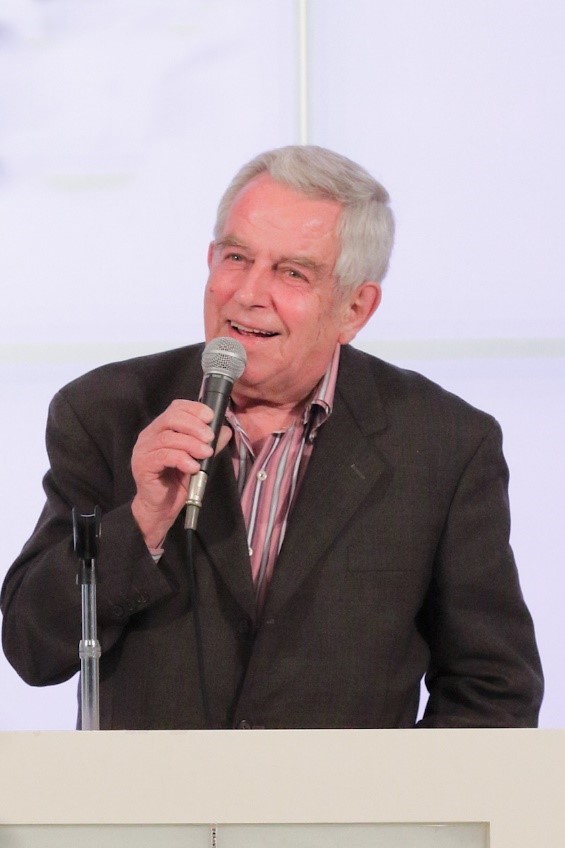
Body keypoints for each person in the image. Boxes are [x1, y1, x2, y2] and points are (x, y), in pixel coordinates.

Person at [1, 145, 543, 729]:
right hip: (149, 791)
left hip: (342, 792)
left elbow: (494, 689)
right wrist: (142, 521)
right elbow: (33, 646)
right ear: (210, 260)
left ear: (355, 308)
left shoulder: (443, 444)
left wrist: (397, 790)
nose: (248, 293)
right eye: (236, 257)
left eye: (292, 273)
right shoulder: (105, 411)